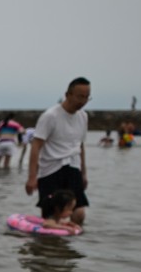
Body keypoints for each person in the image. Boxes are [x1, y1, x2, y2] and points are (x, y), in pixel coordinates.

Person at [25, 77, 91, 226]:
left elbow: (80, 146)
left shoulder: (83, 116)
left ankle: (70, 247)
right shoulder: (50, 116)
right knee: (51, 216)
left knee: (79, 213)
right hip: (50, 170)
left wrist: (84, 173)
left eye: (87, 97)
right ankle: (48, 248)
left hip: (73, 167)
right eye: (80, 96)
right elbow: (36, 145)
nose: (83, 101)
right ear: (68, 94)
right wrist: (32, 177)